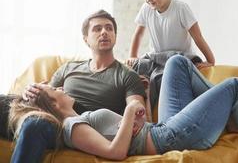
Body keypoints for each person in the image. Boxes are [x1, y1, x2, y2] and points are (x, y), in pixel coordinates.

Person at [9, 55, 238, 163]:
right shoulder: (72, 126)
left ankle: (230, 115)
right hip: (167, 138)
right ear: (53, 103)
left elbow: (129, 133)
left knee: (177, 63)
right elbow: (116, 153)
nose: (60, 88)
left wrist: (142, 97)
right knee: (234, 87)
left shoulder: (77, 119)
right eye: (54, 90)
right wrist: (131, 113)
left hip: (158, 130)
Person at [9, 9, 150, 163]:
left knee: (34, 125)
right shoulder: (68, 68)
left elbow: (140, 120)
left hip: (80, 132)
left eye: (109, 28)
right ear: (86, 39)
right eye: (97, 29)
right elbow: (46, 99)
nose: (104, 32)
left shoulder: (128, 75)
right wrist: (28, 92)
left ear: (115, 36)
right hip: (55, 118)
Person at [126, 0, 215, 69]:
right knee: (139, 66)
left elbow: (197, 36)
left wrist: (210, 60)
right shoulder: (146, 8)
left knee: (172, 65)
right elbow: (139, 34)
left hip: (179, 59)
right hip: (157, 59)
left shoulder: (181, 9)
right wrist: (132, 55)